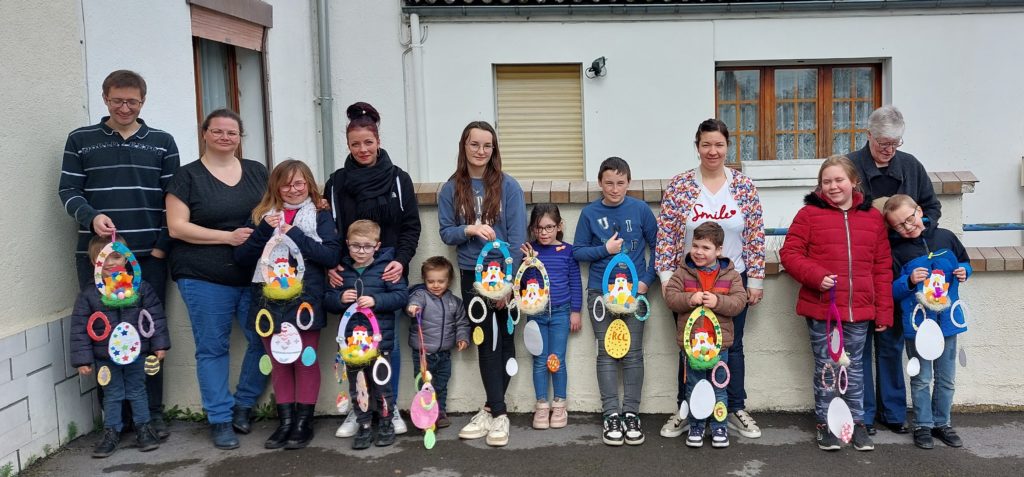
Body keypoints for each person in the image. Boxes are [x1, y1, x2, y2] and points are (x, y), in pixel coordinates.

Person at [59, 69, 179, 438]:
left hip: (146, 258)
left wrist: (161, 246)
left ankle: (151, 414)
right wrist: (91, 217)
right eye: (117, 101)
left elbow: (173, 200)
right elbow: (68, 191)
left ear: (143, 101)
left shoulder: (162, 142)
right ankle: (115, 420)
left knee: (148, 334)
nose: (124, 108)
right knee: (102, 335)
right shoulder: (80, 140)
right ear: (104, 98)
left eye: (132, 101)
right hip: (98, 262)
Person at [655, 118, 765, 440]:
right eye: (706, 144)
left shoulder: (743, 186)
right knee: (689, 345)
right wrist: (666, 276)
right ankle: (686, 409)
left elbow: (755, 234)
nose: (712, 151)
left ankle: (733, 408)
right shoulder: (681, 186)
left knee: (733, 345)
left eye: (719, 144)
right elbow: (666, 235)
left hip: (731, 279)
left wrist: (755, 280)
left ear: (728, 146)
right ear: (697, 146)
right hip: (689, 279)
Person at [165, 109, 268, 450]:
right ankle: (220, 418)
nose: (225, 137)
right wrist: (227, 237)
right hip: (203, 275)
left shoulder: (257, 171)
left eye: (232, 132)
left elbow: (275, 209)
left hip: (255, 275)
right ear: (205, 134)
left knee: (267, 341)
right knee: (213, 348)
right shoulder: (187, 176)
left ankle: (243, 405)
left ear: (240, 137)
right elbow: (176, 227)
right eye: (218, 131)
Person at [779, 155, 893, 452]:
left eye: (839, 180)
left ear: (854, 181)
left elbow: (882, 266)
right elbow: (790, 254)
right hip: (824, 310)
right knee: (827, 368)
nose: (833, 186)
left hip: (860, 309)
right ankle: (825, 423)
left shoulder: (873, 218)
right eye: (826, 181)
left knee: (854, 368)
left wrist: (883, 311)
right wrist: (816, 276)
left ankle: (856, 423)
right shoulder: (808, 215)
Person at [325, 102, 420, 438]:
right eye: (355, 144)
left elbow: (411, 226)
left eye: (368, 142)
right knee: (354, 342)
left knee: (386, 344)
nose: (362, 149)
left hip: (387, 270)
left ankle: (388, 410)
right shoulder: (337, 183)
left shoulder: (398, 180)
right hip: (351, 270)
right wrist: (332, 265)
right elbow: (330, 229)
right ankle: (359, 408)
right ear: (347, 145)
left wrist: (401, 260)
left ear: (378, 141)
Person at [234, 159, 340, 450]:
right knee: (280, 360)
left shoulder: (320, 214)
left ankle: (303, 424)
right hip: (268, 298)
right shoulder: (260, 215)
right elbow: (242, 258)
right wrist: (262, 232)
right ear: (275, 187)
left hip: (306, 296)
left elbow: (330, 256)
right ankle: (285, 422)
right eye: (285, 185)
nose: (293, 190)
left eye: (299, 183)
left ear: (308, 184)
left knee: (305, 358)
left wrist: (294, 233)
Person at [849, 105, 939, 435]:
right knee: (860, 343)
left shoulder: (911, 166)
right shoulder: (850, 166)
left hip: (902, 265)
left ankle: (894, 413)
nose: (889, 150)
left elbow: (931, 207)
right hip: (862, 264)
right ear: (868, 135)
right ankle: (864, 414)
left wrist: (917, 229)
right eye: (883, 143)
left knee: (891, 340)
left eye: (895, 143)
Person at [438, 121, 526, 447]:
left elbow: (517, 237)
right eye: (474, 144)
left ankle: (493, 412)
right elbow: (446, 233)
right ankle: (498, 412)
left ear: (494, 149)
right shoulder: (451, 188)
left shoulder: (509, 186)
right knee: (486, 341)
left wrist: (509, 284)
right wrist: (470, 229)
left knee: (505, 339)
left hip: (504, 275)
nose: (481, 151)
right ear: (464, 146)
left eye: (487, 145)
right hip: (472, 275)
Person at [573, 157, 658, 446]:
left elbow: (659, 248)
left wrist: (646, 281)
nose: (614, 188)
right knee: (607, 353)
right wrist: (604, 249)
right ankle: (610, 414)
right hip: (600, 292)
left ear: (628, 182)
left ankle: (631, 413)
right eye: (609, 183)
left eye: (620, 183)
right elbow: (578, 252)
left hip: (634, 294)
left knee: (633, 354)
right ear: (600, 182)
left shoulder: (641, 209)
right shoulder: (589, 213)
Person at [882, 194, 970, 450]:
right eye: (899, 225)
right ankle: (923, 425)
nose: (907, 227)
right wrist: (909, 281)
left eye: (909, 219)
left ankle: (943, 423)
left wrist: (965, 271)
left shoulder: (946, 238)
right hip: (918, 325)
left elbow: (965, 262)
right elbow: (891, 290)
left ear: (919, 211)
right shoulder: (897, 251)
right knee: (921, 378)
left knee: (946, 378)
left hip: (947, 322)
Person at [70, 236, 170, 458]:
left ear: (127, 259)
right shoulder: (89, 295)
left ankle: (144, 428)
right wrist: (82, 359)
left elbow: (155, 317)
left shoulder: (140, 288)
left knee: (137, 390)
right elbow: (79, 328)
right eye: (103, 258)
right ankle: (111, 432)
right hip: (105, 356)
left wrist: (159, 344)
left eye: (115, 256)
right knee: (112, 393)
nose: (110, 263)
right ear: (94, 262)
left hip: (136, 353)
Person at [325, 220, 408, 450]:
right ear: (347, 244)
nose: (361, 251)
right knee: (358, 387)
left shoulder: (387, 269)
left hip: (380, 344)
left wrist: (376, 300)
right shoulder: (342, 271)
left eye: (367, 246)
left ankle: (386, 424)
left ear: (377, 246)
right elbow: (327, 299)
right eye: (355, 246)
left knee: (382, 387)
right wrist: (339, 299)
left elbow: (401, 296)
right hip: (352, 345)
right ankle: (363, 426)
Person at [664, 222, 747, 449]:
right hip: (692, 346)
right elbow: (671, 297)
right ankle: (696, 425)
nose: (699, 252)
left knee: (719, 387)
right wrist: (689, 299)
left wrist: (718, 301)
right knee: (694, 385)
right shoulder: (682, 273)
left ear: (718, 250)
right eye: (695, 246)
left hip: (719, 346)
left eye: (706, 247)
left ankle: (719, 426)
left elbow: (739, 302)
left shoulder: (732, 275)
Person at [520, 204, 582, 430]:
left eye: (549, 227)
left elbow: (575, 282)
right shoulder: (530, 251)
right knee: (539, 360)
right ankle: (541, 406)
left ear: (559, 226)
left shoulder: (568, 251)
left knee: (556, 359)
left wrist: (575, 311)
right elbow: (525, 286)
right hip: (535, 313)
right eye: (538, 228)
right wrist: (528, 264)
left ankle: (559, 404)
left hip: (561, 312)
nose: (544, 232)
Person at [405, 256, 470, 429]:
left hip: (444, 354)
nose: (435, 285)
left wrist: (462, 338)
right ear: (424, 280)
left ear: (449, 281)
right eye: (431, 281)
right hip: (423, 354)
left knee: (441, 384)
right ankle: (425, 414)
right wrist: (413, 308)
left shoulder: (454, 302)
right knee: (424, 386)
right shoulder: (421, 296)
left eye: (441, 281)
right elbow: (414, 302)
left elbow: (462, 323)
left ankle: (440, 412)